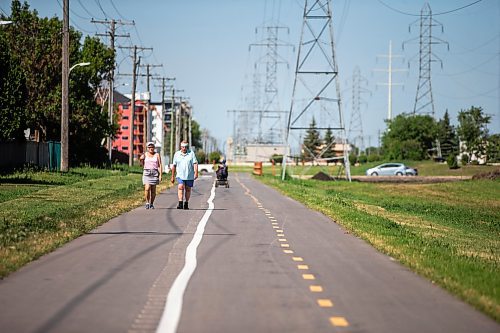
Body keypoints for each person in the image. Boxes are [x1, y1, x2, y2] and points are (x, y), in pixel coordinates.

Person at [170, 140, 198, 210]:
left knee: (188, 189)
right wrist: (172, 176)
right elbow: (174, 165)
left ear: (187, 147)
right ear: (180, 147)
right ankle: (180, 203)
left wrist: (196, 172)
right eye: (183, 147)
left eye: (185, 147)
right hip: (180, 175)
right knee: (180, 187)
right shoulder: (177, 154)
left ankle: (186, 203)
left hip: (189, 175)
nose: (184, 148)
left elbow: (195, 163)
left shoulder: (191, 153)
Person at [140, 141, 162, 209]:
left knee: (153, 190)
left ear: (154, 147)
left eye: (152, 147)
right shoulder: (145, 154)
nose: (151, 148)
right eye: (149, 147)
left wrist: (160, 175)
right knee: (147, 188)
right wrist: (141, 159)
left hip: (155, 173)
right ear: (147, 148)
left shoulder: (157, 155)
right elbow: (141, 164)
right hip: (147, 172)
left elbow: (160, 165)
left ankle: (151, 203)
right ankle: (147, 202)